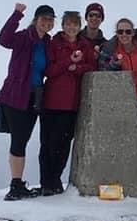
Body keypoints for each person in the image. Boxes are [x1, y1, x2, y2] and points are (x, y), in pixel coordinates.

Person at [0, 3, 55, 200]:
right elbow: (3, 39)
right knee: (19, 140)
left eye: (50, 20)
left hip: (34, 97)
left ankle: (18, 184)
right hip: (15, 96)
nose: (47, 22)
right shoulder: (23, 37)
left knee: (24, 139)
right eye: (43, 19)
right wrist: (17, 14)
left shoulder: (48, 42)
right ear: (35, 20)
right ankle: (15, 185)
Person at [100, 18, 137, 197]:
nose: (124, 35)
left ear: (133, 32)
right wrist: (113, 66)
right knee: (119, 145)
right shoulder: (111, 51)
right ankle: (114, 190)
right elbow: (102, 70)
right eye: (120, 32)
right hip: (123, 102)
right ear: (116, 34)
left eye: (128, 31)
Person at [38, 11, 96, 195]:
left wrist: (77, 68)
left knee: (63, 144)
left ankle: (55, 180)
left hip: (72, 104)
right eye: (68, 24)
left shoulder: (85, 45)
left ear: (80, 27)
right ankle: (47, 183)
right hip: (51, 102)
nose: (71, 28)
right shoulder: (55, 44)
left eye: (75, 24)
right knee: (48, 143)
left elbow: (92, 67)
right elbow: (49, 70)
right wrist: (68, 62)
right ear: (63, 25)